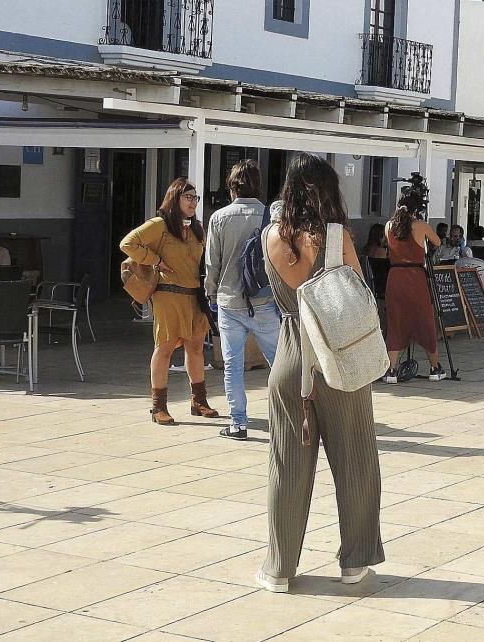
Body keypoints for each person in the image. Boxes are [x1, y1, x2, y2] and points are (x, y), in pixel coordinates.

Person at [258, 153, 384, 592]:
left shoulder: (271, 237)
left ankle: (279, 569)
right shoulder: (338, 237)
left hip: (291, 358)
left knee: (287, 467)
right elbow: (355, 296)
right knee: (355, 462)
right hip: (338, 361)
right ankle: (354, 562)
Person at [120, 178, 220, 426]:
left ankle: (199, 401)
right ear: (175, 198)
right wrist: (153, 259)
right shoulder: (159, 225)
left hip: (194, 295)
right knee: (164, 348)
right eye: (188, 197)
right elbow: (127, 243)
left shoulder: (197, 228)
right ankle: (158, 406)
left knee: (196, 348)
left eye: (195, 198)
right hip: (168, 294)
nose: (193, 202)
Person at [204, 160, 280, 441]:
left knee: (233, 366)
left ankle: (238, 424)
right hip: (263, 300)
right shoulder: (270, 217)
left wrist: (211, 294)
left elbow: (213, 263)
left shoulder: (219, 217)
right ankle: (292, 418)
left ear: (231, 186)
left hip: (229, 301)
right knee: (280, 363)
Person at [382, 202, 448, 383]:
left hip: (395, 276)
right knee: (425, 320)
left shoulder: (389, 226)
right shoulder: (420, 226)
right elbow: (437, 241)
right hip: (415, 276)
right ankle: (435, 368)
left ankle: (392, 370)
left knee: (395, 322)